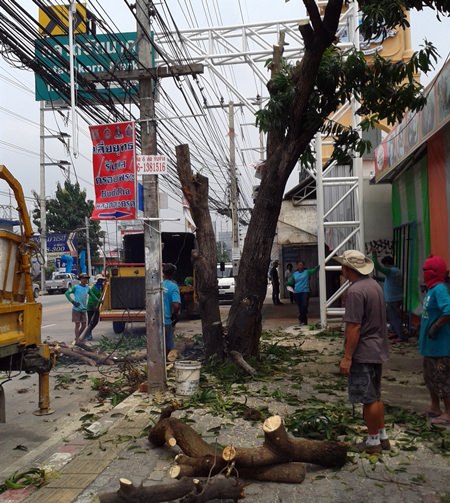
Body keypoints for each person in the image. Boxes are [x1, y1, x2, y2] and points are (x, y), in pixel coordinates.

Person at [335, 250, 390, 454]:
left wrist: (347, 357)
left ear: (347, 268)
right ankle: (382, 436)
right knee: (376, 395)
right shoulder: (374, 285)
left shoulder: (356, 291)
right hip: (378, 348)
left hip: (364, 351)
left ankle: (372, 441)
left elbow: (354, 326)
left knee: (368, 399)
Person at [418, 255, 450, 425]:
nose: (424, 273)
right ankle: (435, 407)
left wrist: (436, 326)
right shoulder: (431, 290)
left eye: (427, 270)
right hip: (429, 346)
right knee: (430, 378)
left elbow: (448, 310)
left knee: (443, 380)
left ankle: (449, 412)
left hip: (441, 347)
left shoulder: (440, 290)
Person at [372, 253, 406, 343]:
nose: (384, 267)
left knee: (395, 317)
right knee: (392, 317)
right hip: (397, 298)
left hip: (392, 299)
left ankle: (401, 336)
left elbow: (378, 267)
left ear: (387, 263)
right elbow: (387, 280)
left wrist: (374, 255)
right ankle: (395, 332)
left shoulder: (391, 271)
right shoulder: (396, 271)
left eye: (384, 265)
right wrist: (377, 278)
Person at [65, 273, 90, 345]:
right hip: (76, 309)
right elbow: (67, 293)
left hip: (83, 309)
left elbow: (92, 295)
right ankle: (77, 340)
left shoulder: (87, 288)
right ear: (80, 279)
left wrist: (98, 300)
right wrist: (72, 301)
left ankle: (77, 338)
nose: (85, 280)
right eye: (83, 278)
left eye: (86, 278)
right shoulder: (76, 287)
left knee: (84, 325)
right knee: (77, 324)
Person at [291, 261, 319, 325]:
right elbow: (291, 282)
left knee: (304, 305)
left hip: (305, 291)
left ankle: (301, 318)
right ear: (297, 266)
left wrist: (319, 265)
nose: (300, 266)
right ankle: (304, 321)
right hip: (297, 292)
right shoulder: (295, 274)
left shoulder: (307, 272)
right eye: (299, 265)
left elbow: (314, 270)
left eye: (301, 265)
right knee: (300, 307)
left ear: (303, 266)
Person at [162, 263, 181, 354]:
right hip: (166, 320)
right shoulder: (173, 287)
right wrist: (175, 314)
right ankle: (168, 360)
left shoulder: (157, 285)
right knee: (169, 346)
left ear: (163, 273)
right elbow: (176, 305)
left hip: (154, 320)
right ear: (173, 274)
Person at [85, 273, 105, 341]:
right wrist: (93, 306)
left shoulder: (102, 287)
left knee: (95, 321)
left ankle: (88, 331)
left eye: (101, 280)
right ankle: (88, 334)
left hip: (97, 306)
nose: (101, 281)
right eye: (99, 280)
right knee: (90, 321)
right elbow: (91, 298)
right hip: (91, 306)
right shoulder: (94, 288)